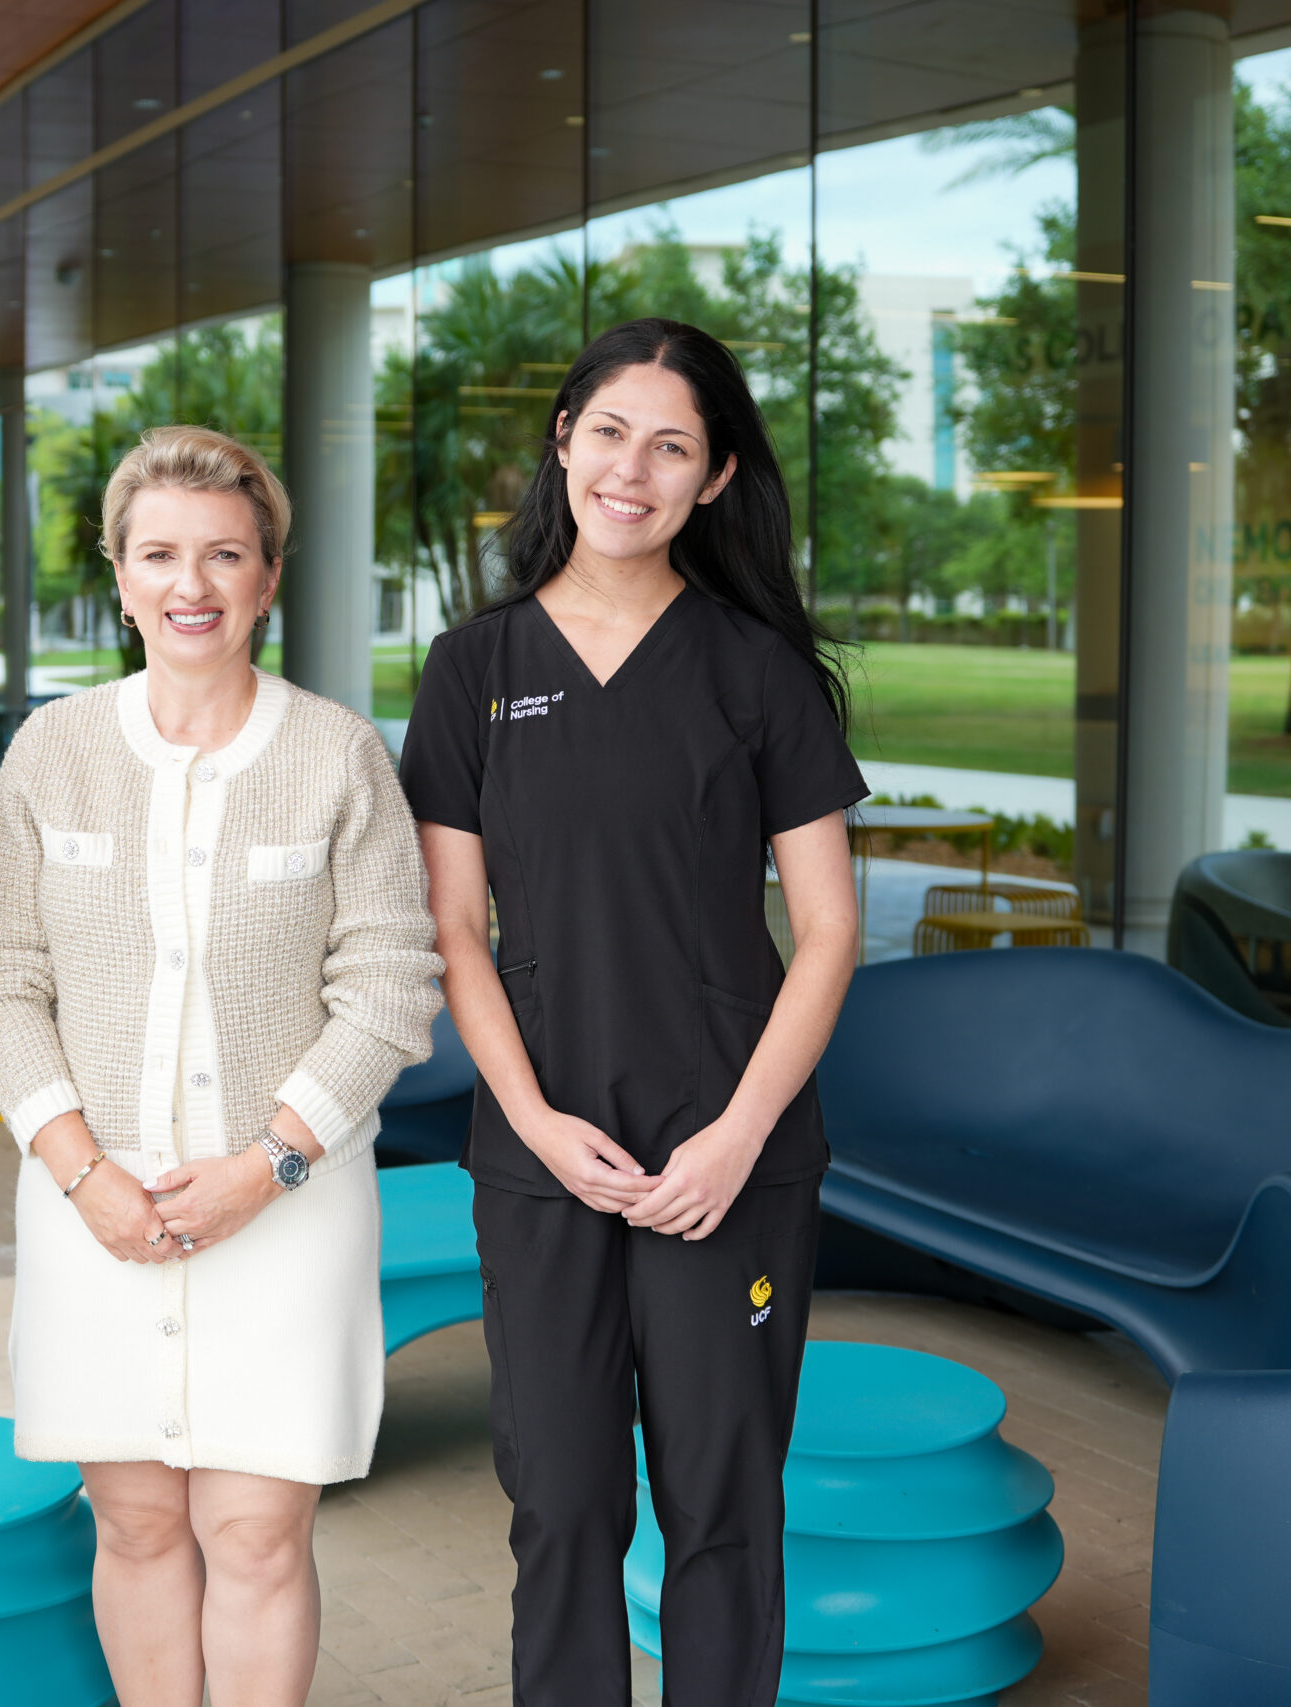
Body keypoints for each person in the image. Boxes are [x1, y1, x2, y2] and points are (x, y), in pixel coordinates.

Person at [398, 318, 868, 1706]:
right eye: (610, 430)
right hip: (544, 1161)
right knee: (562, 1502)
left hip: (731, 1157)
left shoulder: (758, 670)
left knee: (724, 1503)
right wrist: (535, 1121)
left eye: (673, 445)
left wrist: (734, 1137)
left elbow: (829, 929)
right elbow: (454, 931)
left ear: (716, 478)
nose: (634, 467)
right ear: (563, 440)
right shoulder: (474, 667)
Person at [0, 425, 441, 1707]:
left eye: (225, 555)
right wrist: (80, 1172)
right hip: (91, 1209)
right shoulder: (53, 750)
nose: (193, 584)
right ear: (118, 575)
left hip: (286, 1207)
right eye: (160, 553)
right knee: (137, 1527)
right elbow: (0, 975)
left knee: (255, 1533)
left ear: (267, 578)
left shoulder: (338, 752)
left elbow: (391, 982)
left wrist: (268, 1164)